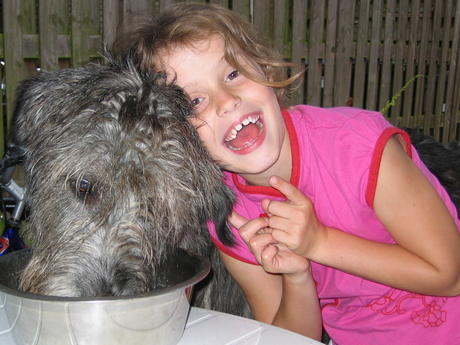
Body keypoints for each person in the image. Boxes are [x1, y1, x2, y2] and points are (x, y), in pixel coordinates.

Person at [109, 3, 460, 344]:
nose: (226, 101)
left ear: (265, 70)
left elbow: (450, 275)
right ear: (174, 137)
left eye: (233, 74)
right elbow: (289, 338)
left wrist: (319, 243)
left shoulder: (356, 147)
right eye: (195, 102)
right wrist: (296, 277)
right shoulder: (231, 217)